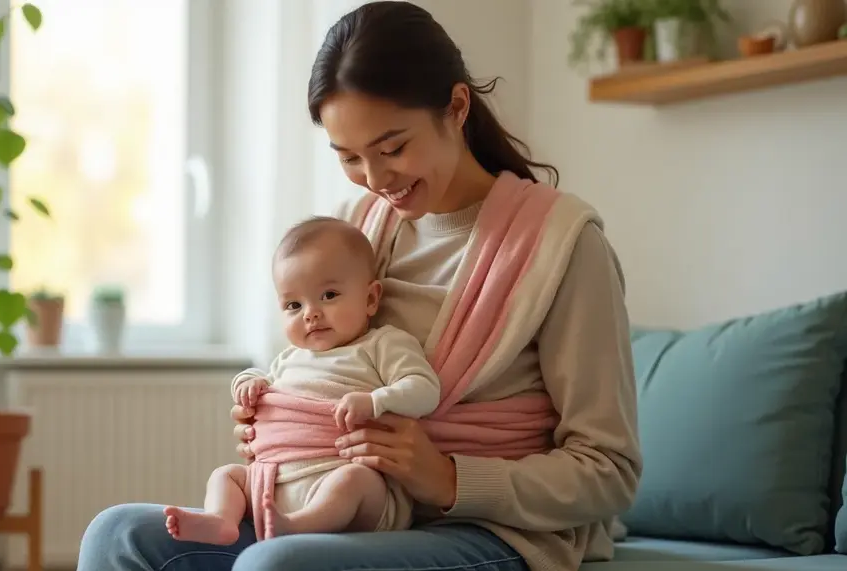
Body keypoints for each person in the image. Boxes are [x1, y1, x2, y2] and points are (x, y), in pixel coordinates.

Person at [77, 2, 641, 570]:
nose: (376, 179)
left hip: (489, 529)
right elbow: (322, 364)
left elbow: (608, 471)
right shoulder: (361, 227)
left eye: (393, 148)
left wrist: (448, 478)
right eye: (349, 156)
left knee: (277, 564)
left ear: (457, 107)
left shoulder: (562, 244)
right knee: (117, 534)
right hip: (350, 510)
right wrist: (285, 419)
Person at [163, 216, 441, 544]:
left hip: (356, 487)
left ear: (370, 299)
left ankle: (297, 527)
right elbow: (264, 379)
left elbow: (425, 390)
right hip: (276, 482)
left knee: (353, 480)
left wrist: (375, 401)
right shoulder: (289, 358)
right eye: (294, 304)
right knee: (226, 476)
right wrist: (249, 382)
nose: (310, 313)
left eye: (329, 295)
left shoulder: (382, 344)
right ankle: (221, 521)